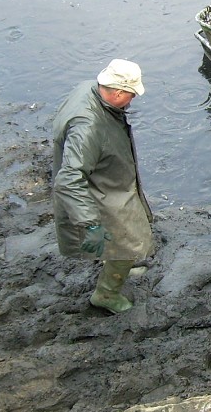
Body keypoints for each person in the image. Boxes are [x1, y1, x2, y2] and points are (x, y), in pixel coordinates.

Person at [52, 59, 154, 314]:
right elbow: (69, 179)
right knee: (128, 239)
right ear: (118, 92)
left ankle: (119, 264)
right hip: (100, 191)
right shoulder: (89, 127)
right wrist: (90, 223)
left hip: (106, 174)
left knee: (122, 240)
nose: (131, 101)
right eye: (131, 95)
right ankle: (106, 294)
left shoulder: (90, 88)